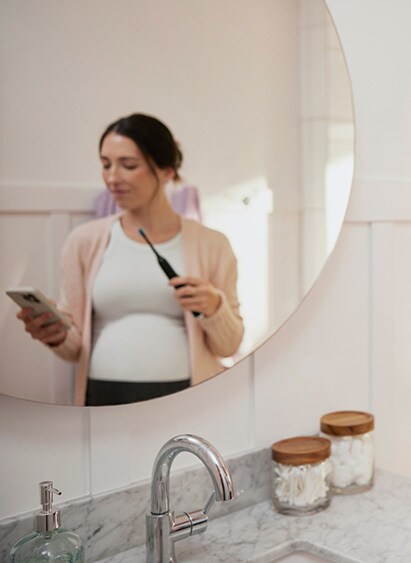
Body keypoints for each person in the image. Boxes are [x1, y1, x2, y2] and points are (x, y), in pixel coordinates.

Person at [16, 113, 244, 406]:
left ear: (166, 170)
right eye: (105, 164)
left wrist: (214, 307)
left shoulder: (213, 245)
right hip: (103, 399)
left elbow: (229, 345)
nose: (112, 178)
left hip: (188, 400)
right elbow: (74, 350)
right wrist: (56, 335)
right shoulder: (83, 241)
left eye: (128, 165)